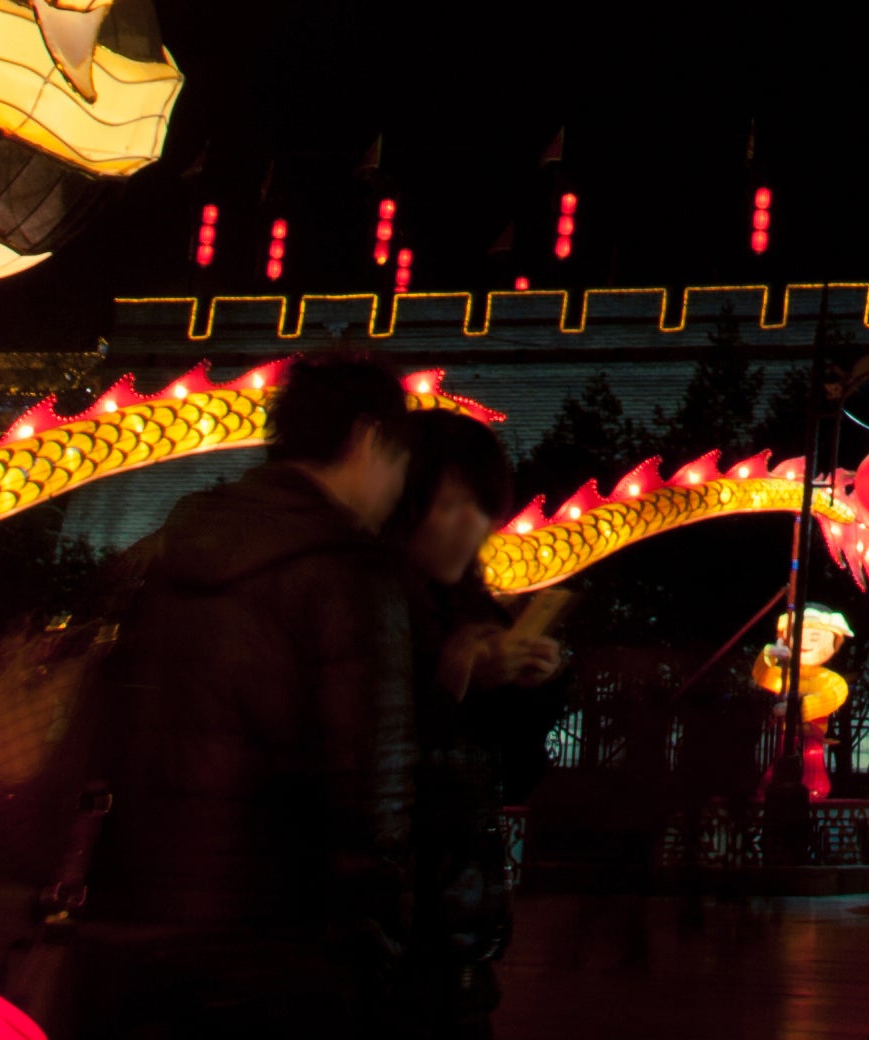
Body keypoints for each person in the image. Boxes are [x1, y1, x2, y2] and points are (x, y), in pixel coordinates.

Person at [64, 355, 426, 1035]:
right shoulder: (347, 573)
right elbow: (372, 788)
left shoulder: (167, 548)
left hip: (128, 915)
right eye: (401, 460)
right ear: (368, 438)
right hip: (275, 935)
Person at [392, 410, 560, 1032]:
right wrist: (453, 675)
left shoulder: (474, 610)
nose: (472, 526)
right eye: (450, 505)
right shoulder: (369, 606)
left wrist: (531, 688)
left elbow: (514, 776)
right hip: (385, 924)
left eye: (482, 508)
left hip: (462, 921)